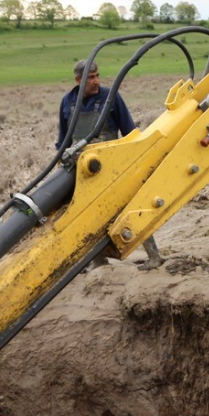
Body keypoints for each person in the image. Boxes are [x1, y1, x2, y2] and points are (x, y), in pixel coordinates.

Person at [58, 60, 163, 271]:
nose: (97, 81)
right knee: (89, 215)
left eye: (98, 75)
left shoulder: (110, 97)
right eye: (91, 77)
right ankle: (99, 262)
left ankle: (153, 256)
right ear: (78, 81)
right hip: (84, 172)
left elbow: (130, 131)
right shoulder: (67, 103)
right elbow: (63, 140)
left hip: (113, 166)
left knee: (131, 207)